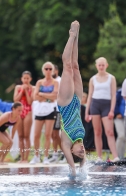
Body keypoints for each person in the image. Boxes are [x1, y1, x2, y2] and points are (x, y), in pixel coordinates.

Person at [57, 21, 86, 177]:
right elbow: (84, 163)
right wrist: (82, 164)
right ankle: (77, 35)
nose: (82, 150)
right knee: (75, 66)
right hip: (77, 102)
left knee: (67, 66)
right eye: (83, 152)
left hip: (66, 104)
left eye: (79, 153)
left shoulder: (66, 142)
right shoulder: (80, 141)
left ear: (71, 152)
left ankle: (71, 35)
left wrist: (74, 171)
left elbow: (72, 166)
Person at [85, 57, 119, 162]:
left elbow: (114, 95)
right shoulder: (93, 79)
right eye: (99, 65)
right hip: (95, 104)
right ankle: (99, 157)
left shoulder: (111, 78)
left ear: (106, 65)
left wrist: (112, 110)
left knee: (109, 131)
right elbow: (90, 95)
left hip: (106, 105)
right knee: (97, 131)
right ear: (96, 66)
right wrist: (87, 112)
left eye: (103, 65)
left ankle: (115, 156)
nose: (101, 67)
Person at [30, 62, 59, 164]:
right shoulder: (39, 82)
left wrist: (42, 94)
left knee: (48, 134)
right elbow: (35, 97)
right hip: (40, 110)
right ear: (43, 70)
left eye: (50, 69)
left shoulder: (55, 82)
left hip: (50, 110)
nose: (48, 71)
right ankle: (36, 156)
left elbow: (55, 96)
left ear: (53, 70)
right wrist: (48, 96)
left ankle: (46, 156)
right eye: (46, 69)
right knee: (36, 134)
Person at [14, 71, 34, 163]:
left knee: (26, 136)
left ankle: (26, 158)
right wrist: (22, 90)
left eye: (27, 78)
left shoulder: (32, 88)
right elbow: (15, 100)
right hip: (19, 112)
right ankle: (22, 158)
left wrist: (26, 90)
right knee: (20, 136)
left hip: (28, 111)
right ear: (21, 79)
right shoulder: (18, 87)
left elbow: (30, 102)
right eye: (24, 78)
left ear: (30, 79)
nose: (26, 80)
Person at [49, 64, 62, 163]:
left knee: (56, 133)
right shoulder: (47, 82)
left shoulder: (59, 80)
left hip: (57, 109)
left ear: (56, 71)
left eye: (53, 70)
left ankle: (64, 153)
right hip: (48, 109)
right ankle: (55, 153)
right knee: (52, 134)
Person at [114, 88, 126, 159]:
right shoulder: (119, 92)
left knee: (125, 138)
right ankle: (116, 156)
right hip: (118, 117)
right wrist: (117, 113)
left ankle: (122, 157)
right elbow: (115, 103)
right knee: (121, 135)